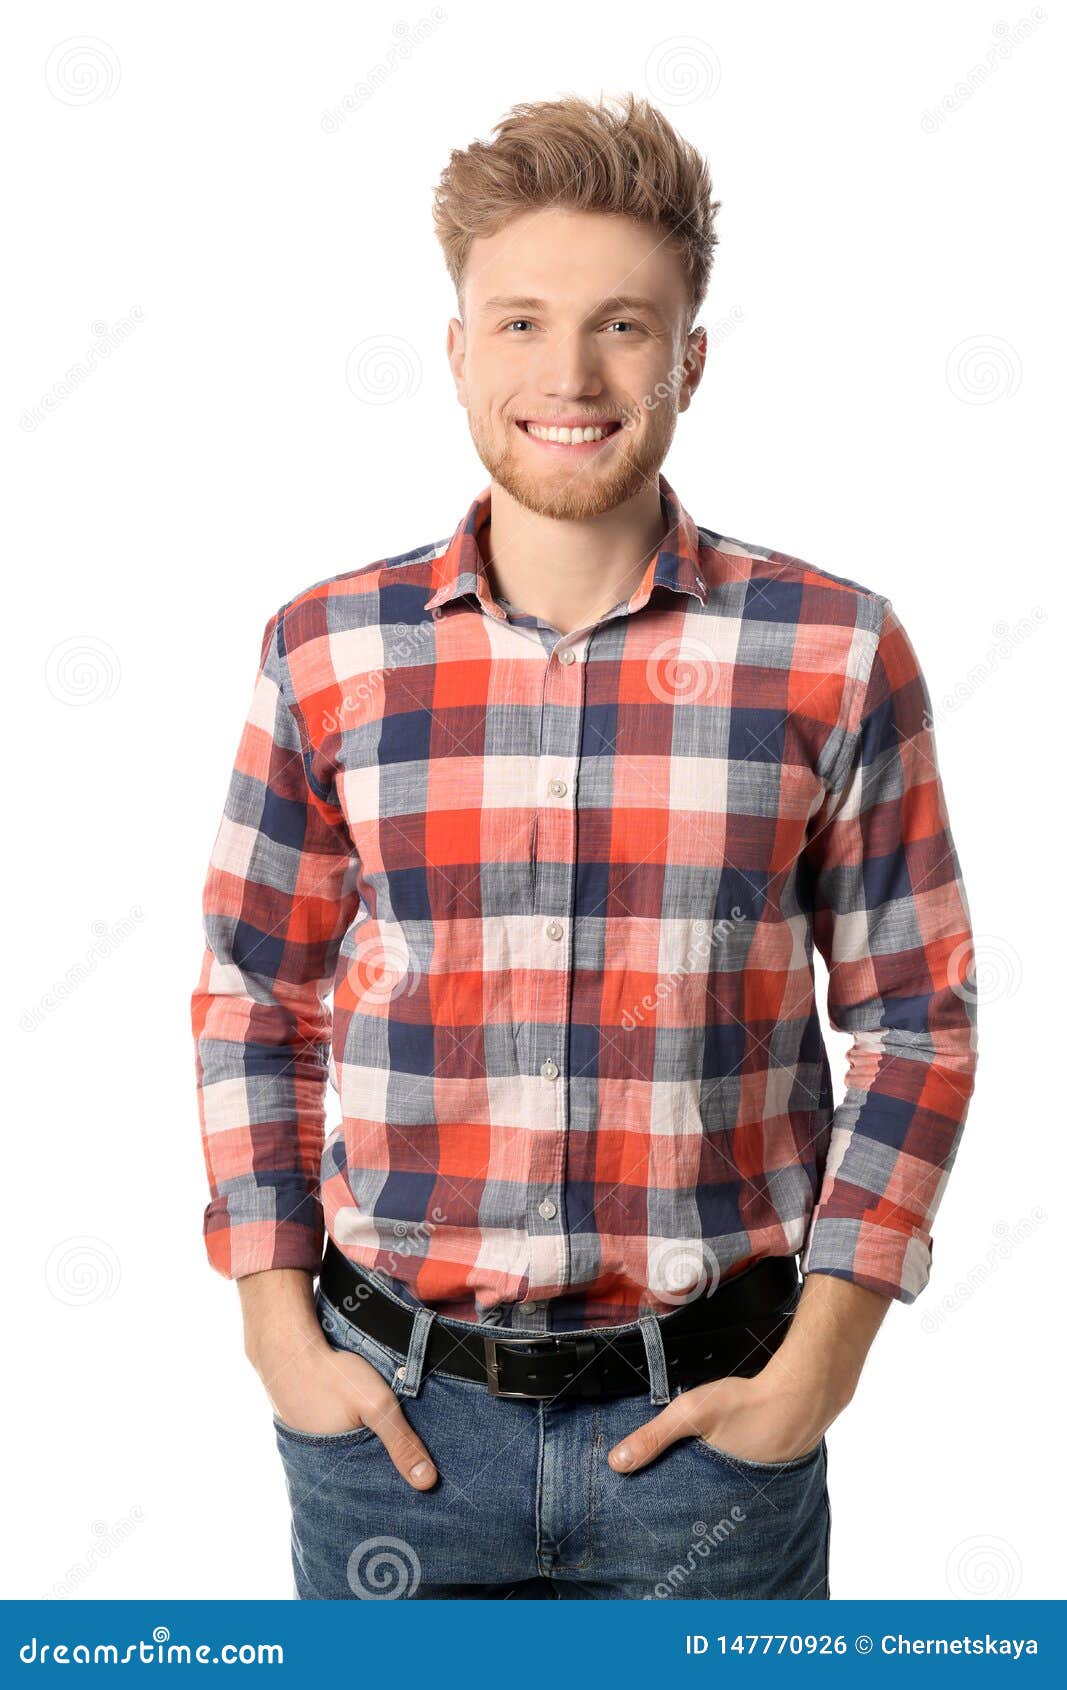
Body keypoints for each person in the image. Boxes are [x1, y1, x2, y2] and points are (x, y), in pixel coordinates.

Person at [190, 93, 978, 1601]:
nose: (569, 374)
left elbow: (917, 1017)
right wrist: (278, 1335)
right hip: (392, 1429)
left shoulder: (835, 651)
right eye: (521, 322)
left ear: (688, 354)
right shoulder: (325, 651)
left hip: (717, 1439)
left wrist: (821, 1367)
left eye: (622, 325)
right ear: (457, 348)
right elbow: (252, 999)